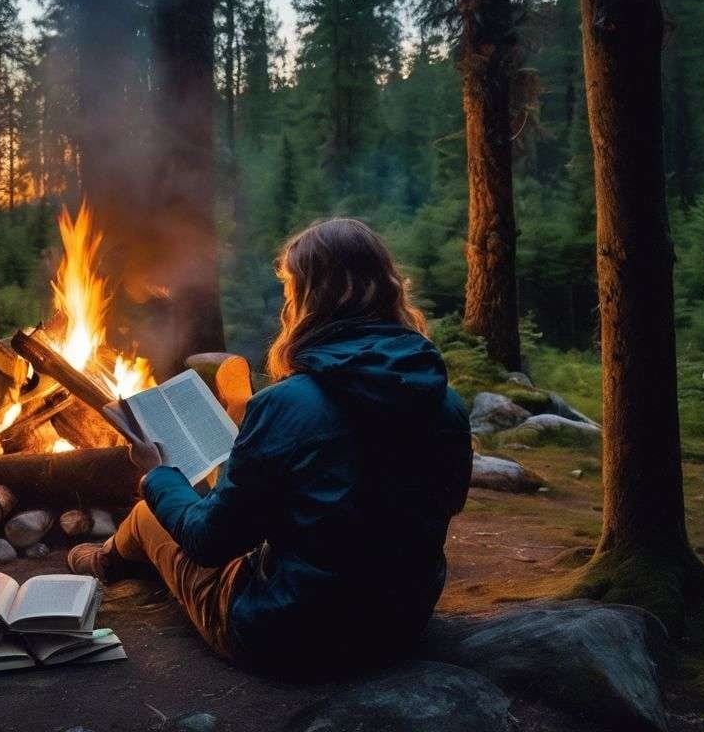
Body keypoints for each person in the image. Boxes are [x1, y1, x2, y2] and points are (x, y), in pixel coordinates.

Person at [68, 217, 473, 675]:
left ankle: (104, 562)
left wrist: (156, 472)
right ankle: (111, 558)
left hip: (291, 632)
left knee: (149, 511)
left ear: (306, 299)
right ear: (387, 289)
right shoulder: (446, 403)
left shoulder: (286, 403)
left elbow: (210, 542)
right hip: (400, 622)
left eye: (290, 293)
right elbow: (437, 504)